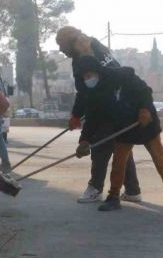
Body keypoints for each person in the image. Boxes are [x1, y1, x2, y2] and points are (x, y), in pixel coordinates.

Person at [74, 55, 163, 212]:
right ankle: (113, 197)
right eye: (84, 77)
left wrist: (146, 109)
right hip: (123, 127)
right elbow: (92, 118)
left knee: (159, 159)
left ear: (97, 71)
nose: (87, 80)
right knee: (119, 163)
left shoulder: (121, 75)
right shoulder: (94, 93)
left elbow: (145, 91)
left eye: (89, 75)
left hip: (145, 122)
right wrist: (84, 141)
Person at [55, 26, 142, 203]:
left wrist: (77, 117)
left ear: (71, 43)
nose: (60, 49)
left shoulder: (83, 59)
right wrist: (77, 115)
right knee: (122, 148)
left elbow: (87, 92)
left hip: (111, 108)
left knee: (100, 147)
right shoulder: (97, 46)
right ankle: (133, 190)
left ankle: (95, 188)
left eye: (61, 44)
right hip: (126, 103)